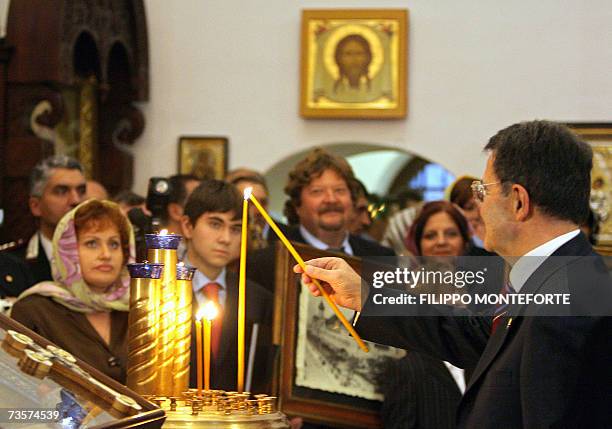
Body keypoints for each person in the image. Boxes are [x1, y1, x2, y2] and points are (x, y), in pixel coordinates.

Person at [296, 120, 612, 428]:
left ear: (518, 201)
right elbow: (475, 334)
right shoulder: (563, 277)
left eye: (483, 190)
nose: (479, 205)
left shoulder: (570, 301)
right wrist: (363, 295)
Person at [11, 199, 134, 382]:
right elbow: (17, 393)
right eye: (92, 243)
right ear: (66, 250)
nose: (106, 254)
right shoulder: (34, 311)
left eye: (114, 244)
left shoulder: (138, 309)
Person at [247, 148, 394, 292]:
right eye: (317, 191)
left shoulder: (382, 259)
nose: (331, 199)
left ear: (352, 199)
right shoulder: (265, 263)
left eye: (339, 190)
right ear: (297, 205)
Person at [383, 201, 472, 429]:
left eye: (451, 233)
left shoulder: (484, 344)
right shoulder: (408, 368)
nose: (441, 242)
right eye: (431, 235)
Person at [181, 180, 274, 392]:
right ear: (188, 226)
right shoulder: (162, 289)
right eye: (215, 224)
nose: (225, 238)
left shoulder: (257, 299)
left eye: (236, 229)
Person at [11, 155, 87, 285]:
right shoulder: (11, 262)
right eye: (62, 191)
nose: (76, 200)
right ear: (36, 206)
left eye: (81, 191)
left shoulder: (104, 257)